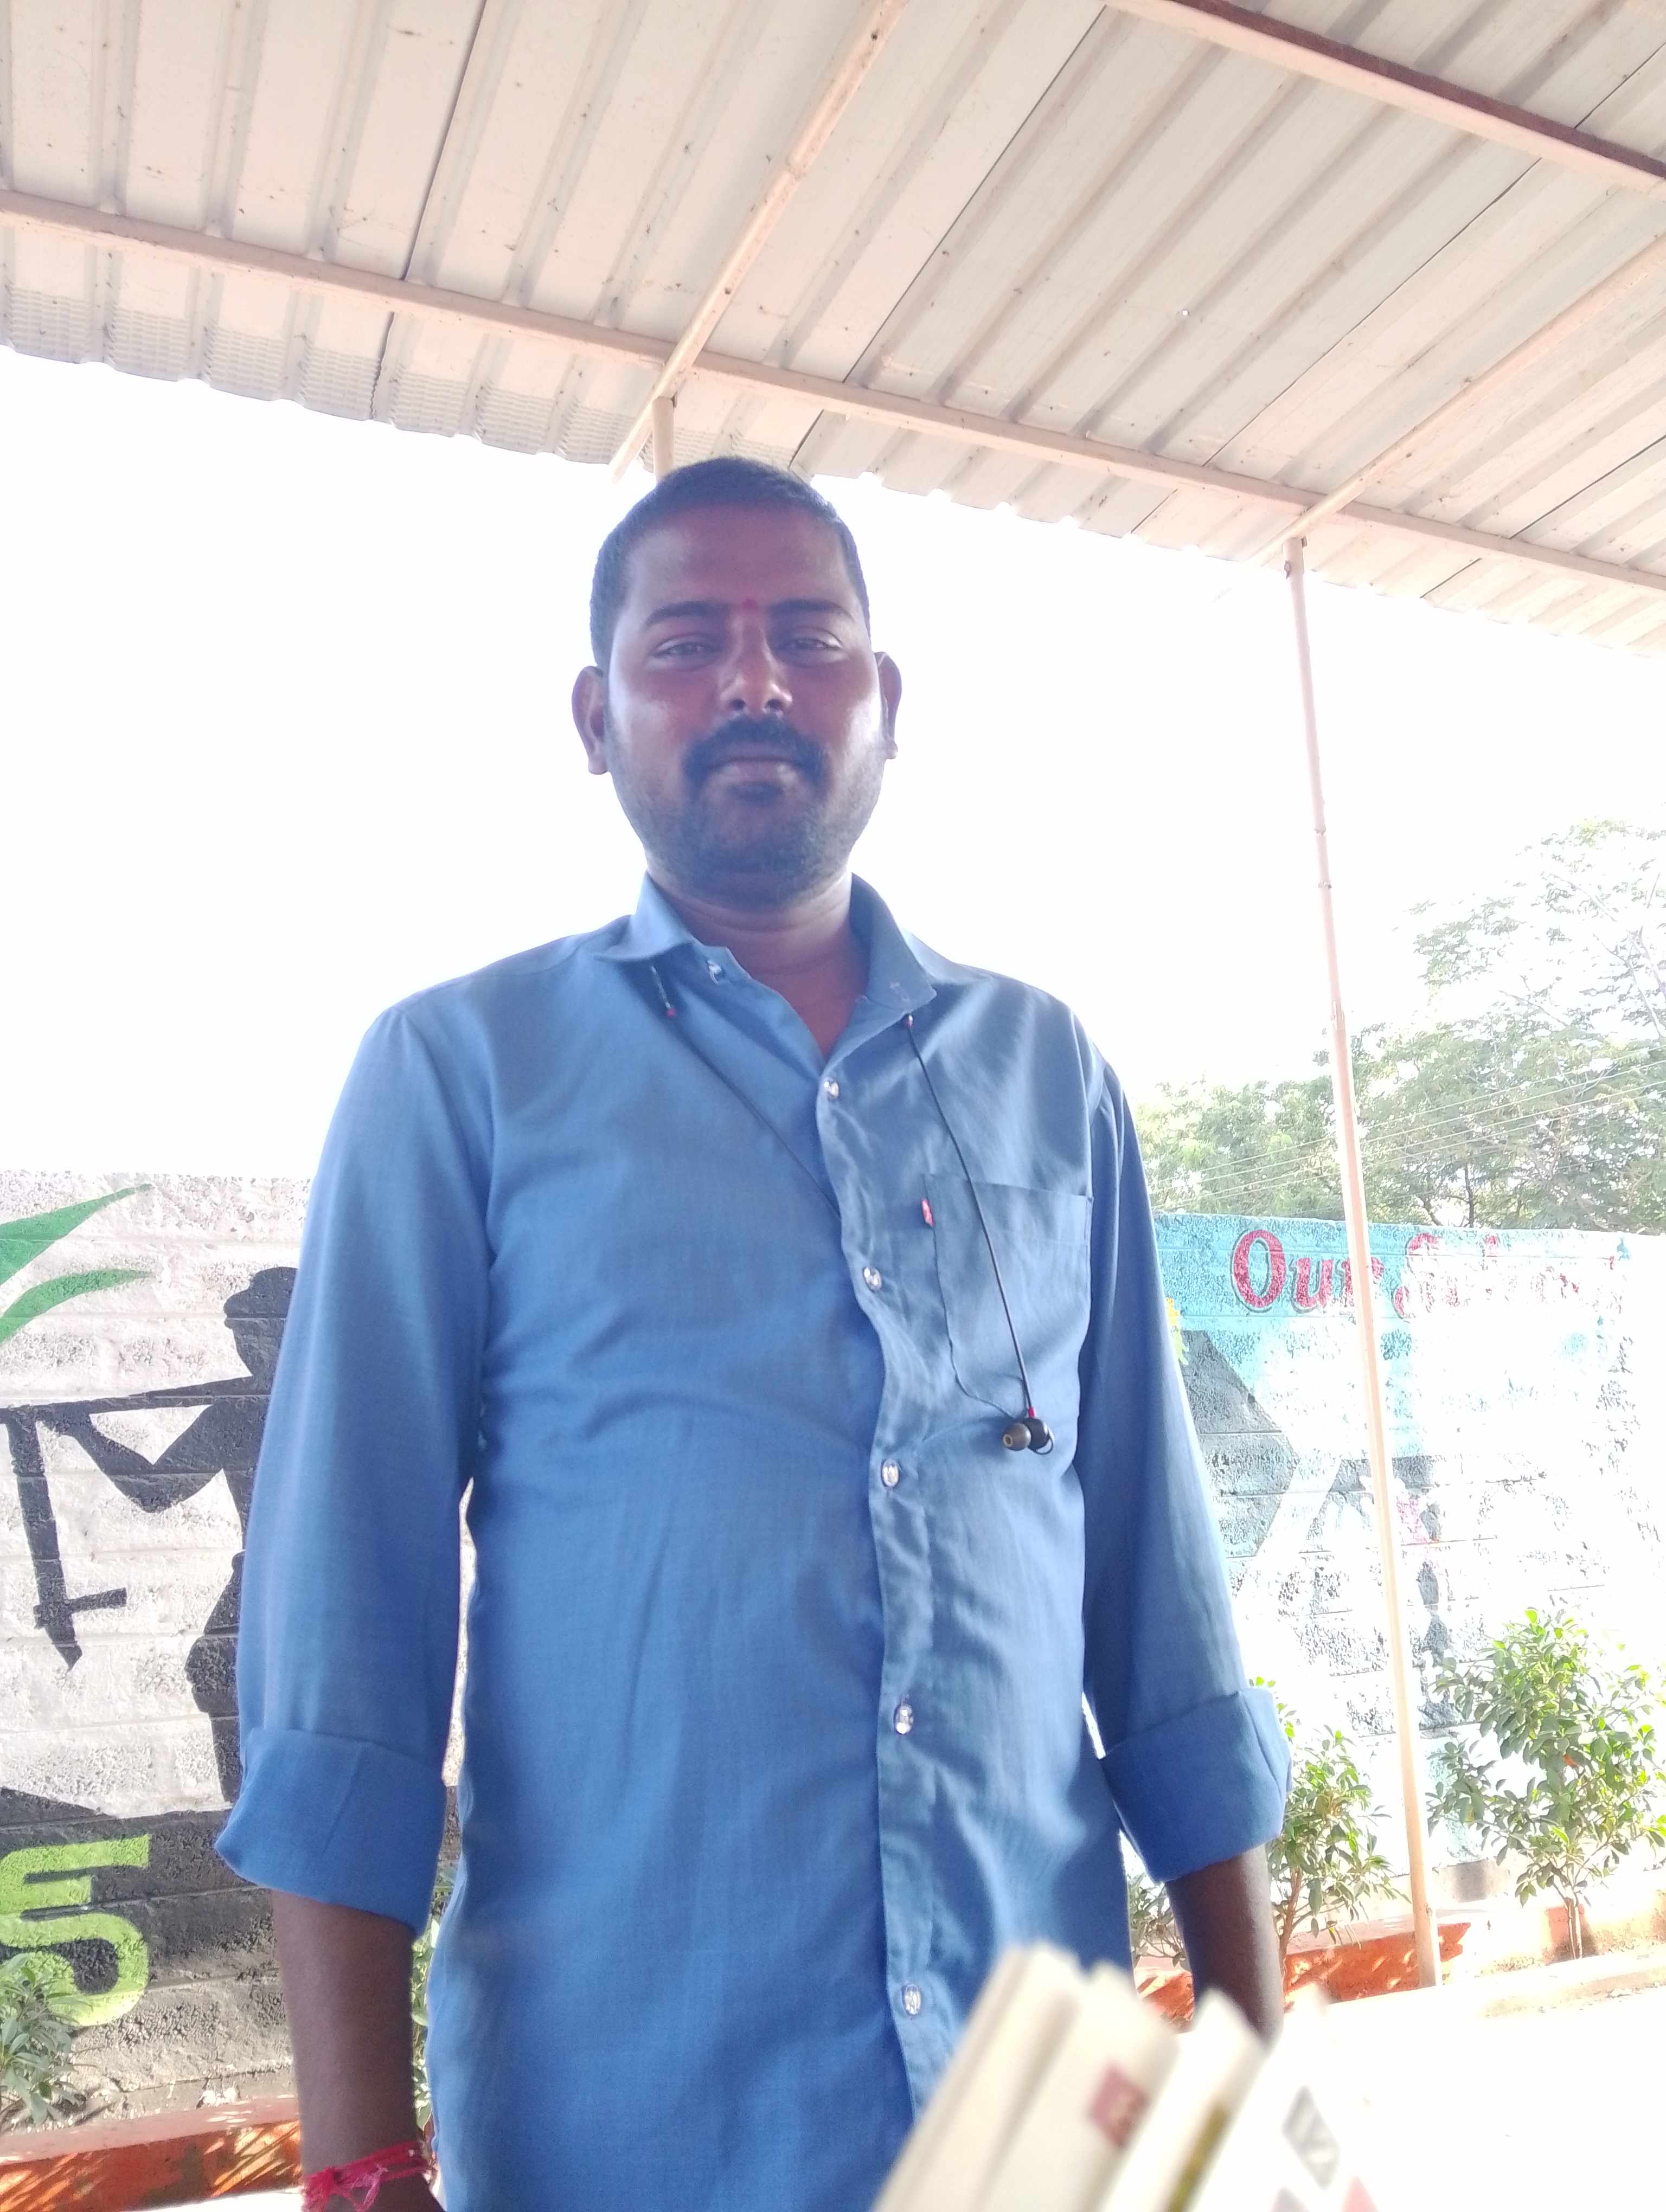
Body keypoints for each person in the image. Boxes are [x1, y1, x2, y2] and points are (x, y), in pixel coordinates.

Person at [218, 459, 1287, 2212]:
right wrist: (357, 2162)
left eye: (809, 636)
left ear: (887, 701)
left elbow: (1159, 1611)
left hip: (1044, 2118)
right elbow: (347, 1645)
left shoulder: (1048, 1075)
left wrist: (1249, 2070)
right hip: (630, 2124)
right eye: (688, 643)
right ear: (596, 718)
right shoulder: (460, 1076)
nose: (756, 681)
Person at [42, 1267, 295, 1801]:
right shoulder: (235, 1413)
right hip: (267, 1573)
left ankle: (273, 1804)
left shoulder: (345, 1407)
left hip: (334, 1577)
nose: (246, 1348)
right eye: (241, 1335)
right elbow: (156, 1491)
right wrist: (86, 1432)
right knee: (216, 1670)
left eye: (256, 1333)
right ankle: (247, 1806)